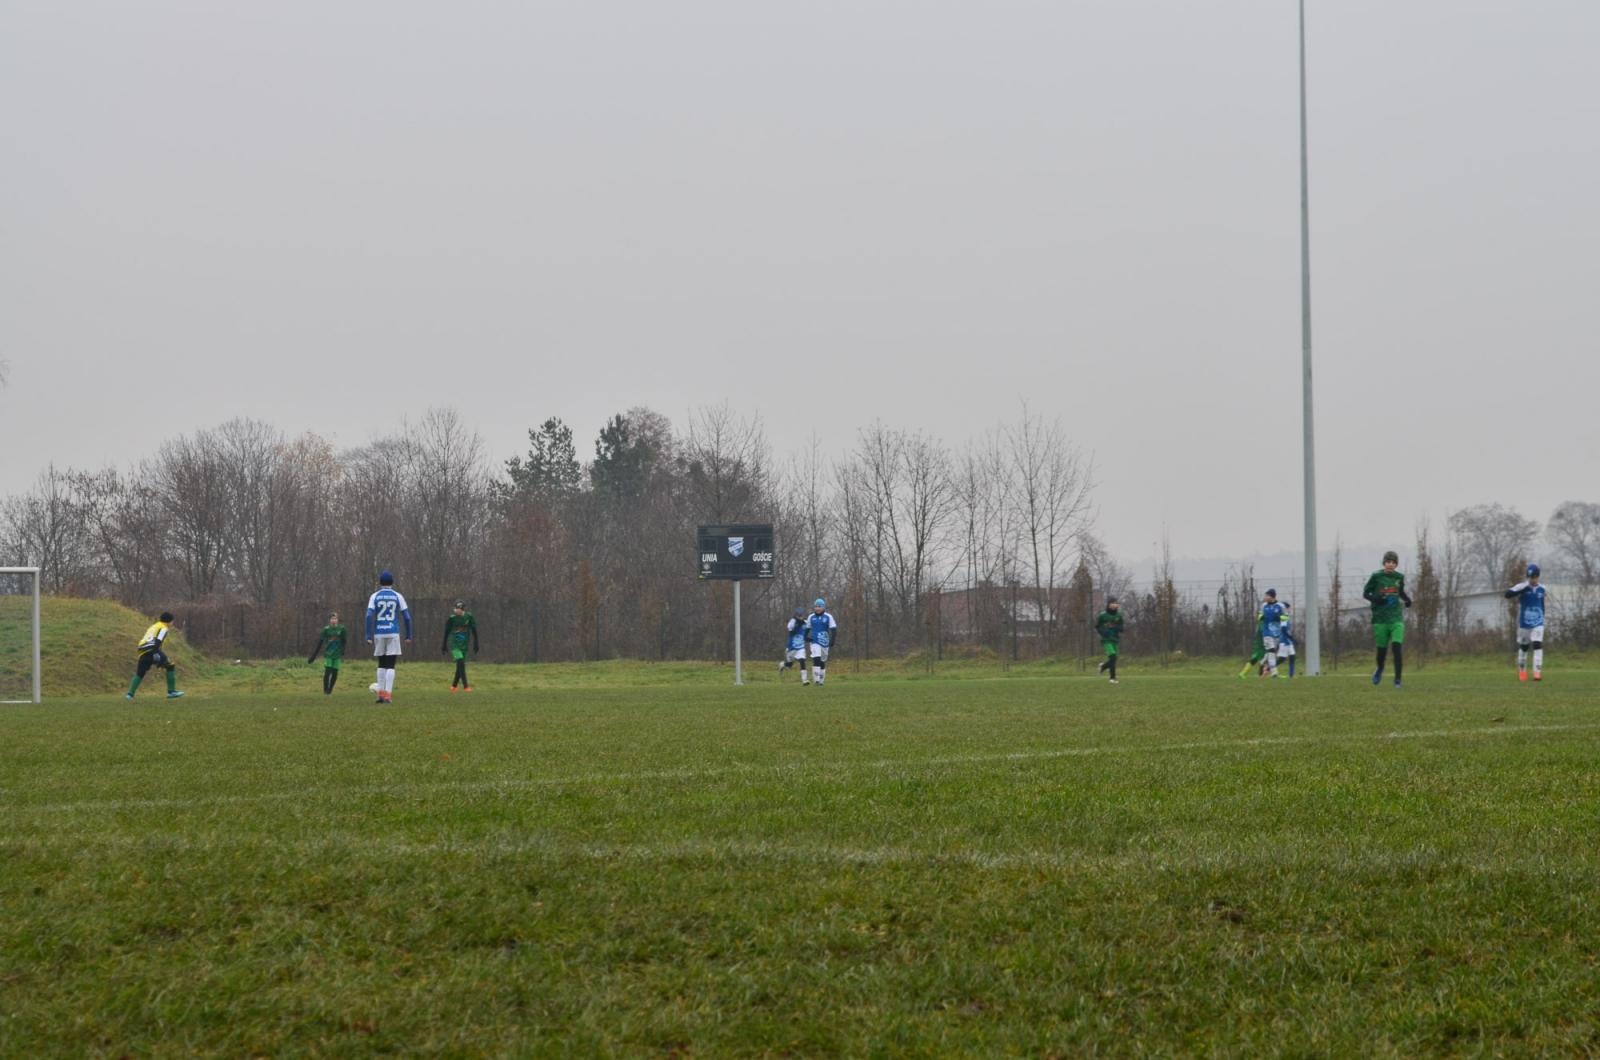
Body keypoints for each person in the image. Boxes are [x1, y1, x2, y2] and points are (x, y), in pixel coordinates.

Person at [1363, 550, 1413, 688]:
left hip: (1396, 618)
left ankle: (1397, 680)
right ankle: (1379, 669)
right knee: (1382, 651)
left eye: (1393, 562)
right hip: (1380, 619)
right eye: (1388, 562)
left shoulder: (1399, 577)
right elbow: (1366, 593)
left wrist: (1407, 600)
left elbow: (1400, 592)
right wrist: (1375, 599)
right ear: (1384, 563)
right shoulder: (1376, 576)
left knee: (1397, 648)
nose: (1390, 564)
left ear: (1396, 564)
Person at [364, 570, 412, 704]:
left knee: (381, 663)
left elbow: (368, 615)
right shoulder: (398, 596)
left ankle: (380, 695)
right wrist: (408, 635)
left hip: (379, 632)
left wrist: (368, 635)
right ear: (392, 582)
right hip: (393, 632)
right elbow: (407, 617)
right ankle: (388, 695)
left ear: (380, 583)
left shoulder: (374, 596)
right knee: (391, 665)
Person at [126, 611, 185, 700]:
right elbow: (158, 641)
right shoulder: (164, 628)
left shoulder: (154, 626)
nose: (173, 623)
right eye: (172, 621)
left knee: (140, 672)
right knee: (170, 666)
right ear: (169, 621)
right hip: (153, 649)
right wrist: (156, 653)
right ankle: (171, 692)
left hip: (142, 650)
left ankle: (129, 695)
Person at [1504, 563, 1548, 682]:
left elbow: (1542, 603)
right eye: (1530, 577)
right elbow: (1507, 595)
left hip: (1538, 623)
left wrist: (1543, 616)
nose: (1532, 579)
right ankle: (1522, 671)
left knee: (1537, 645)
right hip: (1524, 623)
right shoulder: (1522, 586)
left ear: (1538, 576)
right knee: (1524, 647)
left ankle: (1537, 673)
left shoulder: (1542, 589)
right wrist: (1522, 589)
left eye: (1534, 577)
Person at [441, 600, 479, 692]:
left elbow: (474, 630)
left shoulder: (469, 617)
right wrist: (444, 644)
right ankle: (466, 686)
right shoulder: (452, 619)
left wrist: (476, 642)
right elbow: (446, 632)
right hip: (455, 645)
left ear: (462, 610)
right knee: (461, 663)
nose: (456, 610)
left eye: (458, 609)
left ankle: (453, 686)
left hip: (464, 645)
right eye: (455, 608)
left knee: (460, 666)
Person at [306, 611, 348, 695]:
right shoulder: (326, 630)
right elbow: (320, 643)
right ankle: (325, 690)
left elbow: (344, 641)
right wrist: (313, 656)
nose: (334, 620)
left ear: (337, 620)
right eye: (332, 618)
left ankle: (330, 689)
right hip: (328, 653)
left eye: (335, 618)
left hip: (337, 654)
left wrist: (343, 650)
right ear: (329, 620)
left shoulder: (342, 629)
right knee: (328, 671)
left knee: (335, 672)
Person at [805, 598, 839, 686]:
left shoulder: (828, 617)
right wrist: (805, 637)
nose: (817, 608)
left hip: (824, 642)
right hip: (814, 641)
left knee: (822, 661)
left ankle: (821, 681)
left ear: (823, 607)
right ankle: (816, 680)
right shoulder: (811, 617)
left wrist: (832, 640)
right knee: (816, 657)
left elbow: (833, 629)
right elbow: (807, 629)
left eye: (819, 606)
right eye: (816, 606)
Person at [1093, 596, 1124, 683]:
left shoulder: (1119, 615)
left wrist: (1117, 628)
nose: (1115, 605)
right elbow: (1097, 626)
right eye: (1113, 603)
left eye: (1116, 603)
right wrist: (1103, 632)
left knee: (1113, 659)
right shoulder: (1103, 615)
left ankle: (1103, 667)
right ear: (1109, 605)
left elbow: (1122, 627)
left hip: (1115, 639)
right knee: (1113, 657)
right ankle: (1112, 678)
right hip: (1106, 640)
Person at [778, 605, 812, 683]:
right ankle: (782, 665)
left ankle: (805, 680)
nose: (801, 617)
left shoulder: (805, 622)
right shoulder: (793, 621)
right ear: (796, 615)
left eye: (802, 615)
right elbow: (790, 629)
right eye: (799, 615)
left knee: (802, 660)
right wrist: (798, 623)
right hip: (791, 648)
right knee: (789, 665)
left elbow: (810, 626)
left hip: (800, 647)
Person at [1258, 589, 1287, 677]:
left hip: (1277, 633)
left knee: (1271, 652)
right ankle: (1274, 673)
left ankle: (1262, 662)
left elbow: (1285, 618)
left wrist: (1279, 618)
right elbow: (1259, 616)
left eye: (1267, 596)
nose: (1265, 597)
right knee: (1271, 651)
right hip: (1266, 632)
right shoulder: (1264, 606)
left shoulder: (1280, 606)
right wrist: (1261, 617)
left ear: (1272, 596)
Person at [1238, 608, 1268, 679]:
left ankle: (1244, 673)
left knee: (1259, 659)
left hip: (1260, 644)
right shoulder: (1262, 623)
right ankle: (1243, 673)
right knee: (1260, 659)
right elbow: (1263, 632)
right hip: (1261, 644)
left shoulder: (1262, 622)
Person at [1276, 603, 1297, 678]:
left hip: (1288, 642)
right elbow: (1283, 629)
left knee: (1292, 657)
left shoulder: (1286, 616)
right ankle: (1268, 668)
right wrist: (1291, 637)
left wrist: (1291, 639)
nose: (1290, 610)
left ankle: (1291, 675)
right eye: (1288, 608)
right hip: (1284, 641)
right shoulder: (1283, 616)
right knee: (1281, 659)